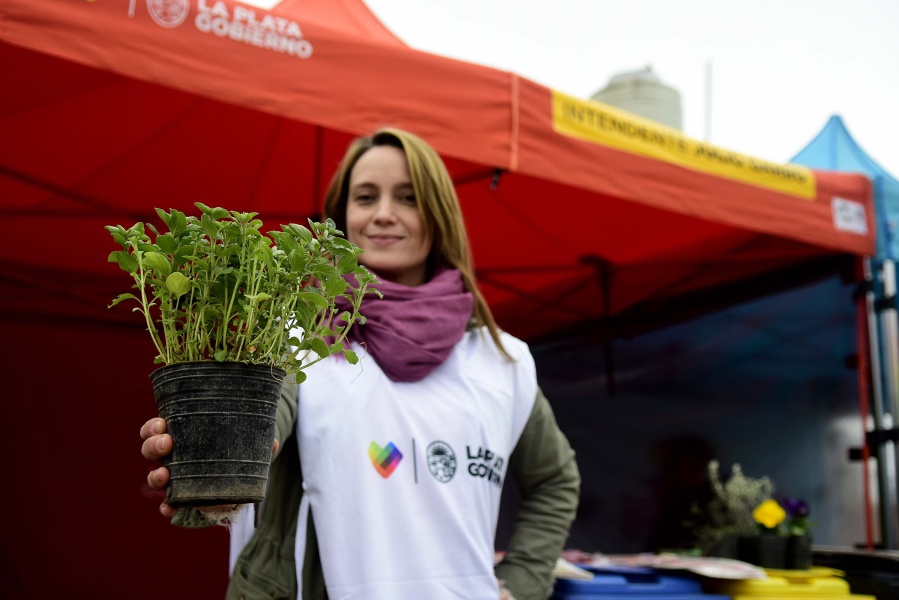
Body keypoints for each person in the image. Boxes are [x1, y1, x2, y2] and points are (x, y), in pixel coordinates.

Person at [140, 128, 580, 600]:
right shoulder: (295, 333)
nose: (384, 214)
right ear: (341, 218)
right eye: (366, 197)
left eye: (408, 198)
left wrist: (519, 586)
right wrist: (213, 476)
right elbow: (266, 426)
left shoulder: (502, 360)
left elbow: (555, 481)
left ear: (440, 215)